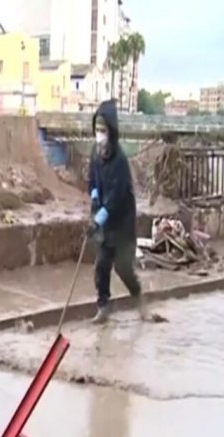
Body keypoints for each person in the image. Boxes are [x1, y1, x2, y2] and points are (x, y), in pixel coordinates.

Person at [87, 99, 147, 324]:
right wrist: (93, 198)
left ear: (111, 131)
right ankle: (103, 308)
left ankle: (139, 299)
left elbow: (116, 196)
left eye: (103, 130)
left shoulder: (120, 160)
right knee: (101, 265)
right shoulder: (95, 153)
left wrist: (99, 218)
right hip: (104, 219)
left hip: (121, 223)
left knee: (123, 268)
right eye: (96, 129)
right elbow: (92, 178)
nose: (99, 134)